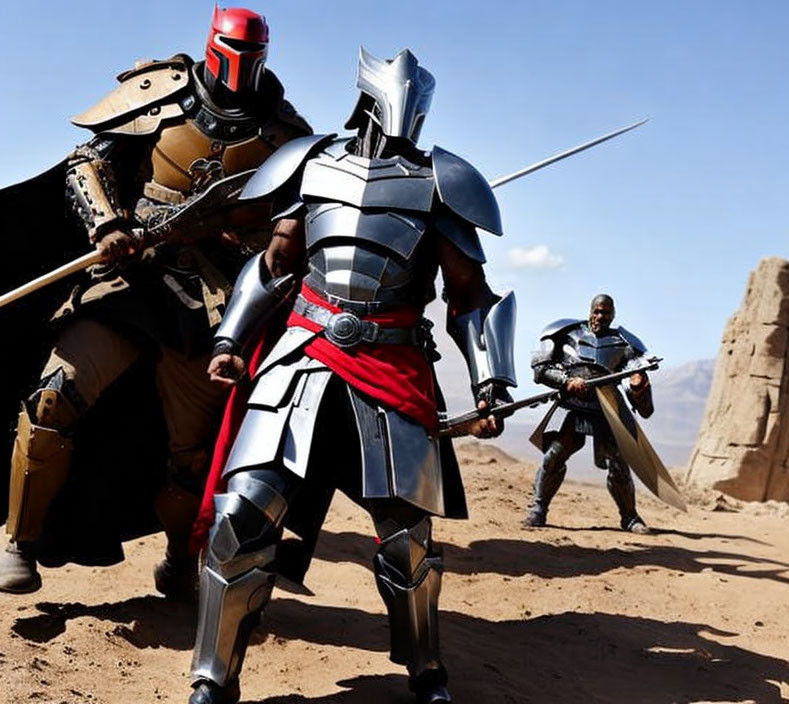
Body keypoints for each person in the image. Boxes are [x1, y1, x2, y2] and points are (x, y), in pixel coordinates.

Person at [186, 47, 515, 704]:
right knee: (241, 520)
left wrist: (490, 383)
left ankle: (427, 672)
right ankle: (212, 678)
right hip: (301, 357)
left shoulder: (441, 180)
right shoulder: (308, 163)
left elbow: (472, 295)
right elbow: (276, 265)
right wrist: (231, 337)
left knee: (406, 544)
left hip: (389, 367)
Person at [0, 4, 312, 597]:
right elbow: (87, 161)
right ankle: (21, 540)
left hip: (212, 303)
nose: (239, 67)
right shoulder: (160, 92)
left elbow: (291, 226)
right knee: (52, 397)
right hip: (130, 278)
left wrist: (240, 240)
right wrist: (105, 224)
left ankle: (179, 557)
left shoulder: (287, 137)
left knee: (190, 455)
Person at [523, 293, 655, 534]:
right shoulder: (567, 333)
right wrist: (566, 381)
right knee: (555, 455)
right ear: (590, 311)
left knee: (618, 462)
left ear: (613, 315)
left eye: (605, 313)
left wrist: (638, 387)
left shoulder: (624, 344)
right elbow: (540, 369)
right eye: (597, 311)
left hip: (607, 408)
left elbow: (638, 385)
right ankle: (538, 509)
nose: (600, 317)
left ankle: (630, 517)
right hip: (572, 404)